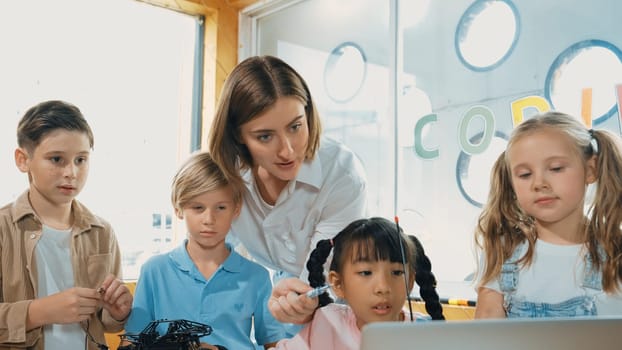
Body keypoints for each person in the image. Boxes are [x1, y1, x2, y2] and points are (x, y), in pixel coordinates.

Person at [207, 55, 367, 324]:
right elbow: (211, 254)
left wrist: (297, 302)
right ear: (237, 136)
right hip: (280, 303)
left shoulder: (342, 175)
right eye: (265, 136)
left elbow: (318, 283)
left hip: (342, 309)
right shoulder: (224, 176)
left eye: (295, 126)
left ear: (308, 115)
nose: (287, 150)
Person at [0, 100, 133, 349]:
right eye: (57, 159)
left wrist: (118, 312)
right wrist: (38, 312)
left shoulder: (102, 232)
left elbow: (109, 324)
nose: (72, 172)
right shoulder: (3, 229)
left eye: (81, 160)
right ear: (22, 160)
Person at [122, 152, 286, 350]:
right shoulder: (154, 270)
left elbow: (274, 344)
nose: (209, 219)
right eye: (198, 208)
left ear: (236, 209)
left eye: (221, 208)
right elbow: (132, 342)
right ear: (178, 208)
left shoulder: (256, 276)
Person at [474, 111, 622, 318]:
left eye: (556, 168)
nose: (539, 183)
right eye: (525, 174)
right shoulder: (502, 250)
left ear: (590, 169)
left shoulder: (616, 252)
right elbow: (486, 335)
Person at [269, 217, 444, 349]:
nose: (383, 287)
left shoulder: (427, 335)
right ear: (338, 284)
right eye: (366, 273)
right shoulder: (328, 322)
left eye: (397, 272)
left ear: (411, 281)